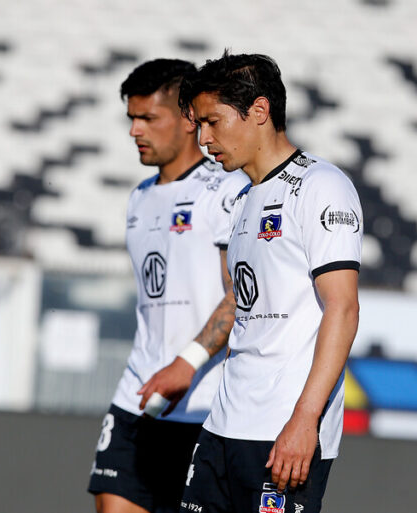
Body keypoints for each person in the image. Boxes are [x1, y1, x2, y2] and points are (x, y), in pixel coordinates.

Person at [175, 52, 362, 513]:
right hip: (222, 426)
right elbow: (242, 308)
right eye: (199, 125)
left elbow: (343, 308)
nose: (204, 139)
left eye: (213, 122)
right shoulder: (241, 199)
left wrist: (304, 420)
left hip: (283, 434)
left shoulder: (322, 186)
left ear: (259, 112)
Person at [87, 59, 250, 513]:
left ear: (186, 120)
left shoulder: (225, 190)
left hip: (202, 404)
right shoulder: (139, 197)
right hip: (137, 396)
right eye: (131, 119)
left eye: (148, 118)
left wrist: (188, 362)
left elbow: (241, 296)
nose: (136, 130)